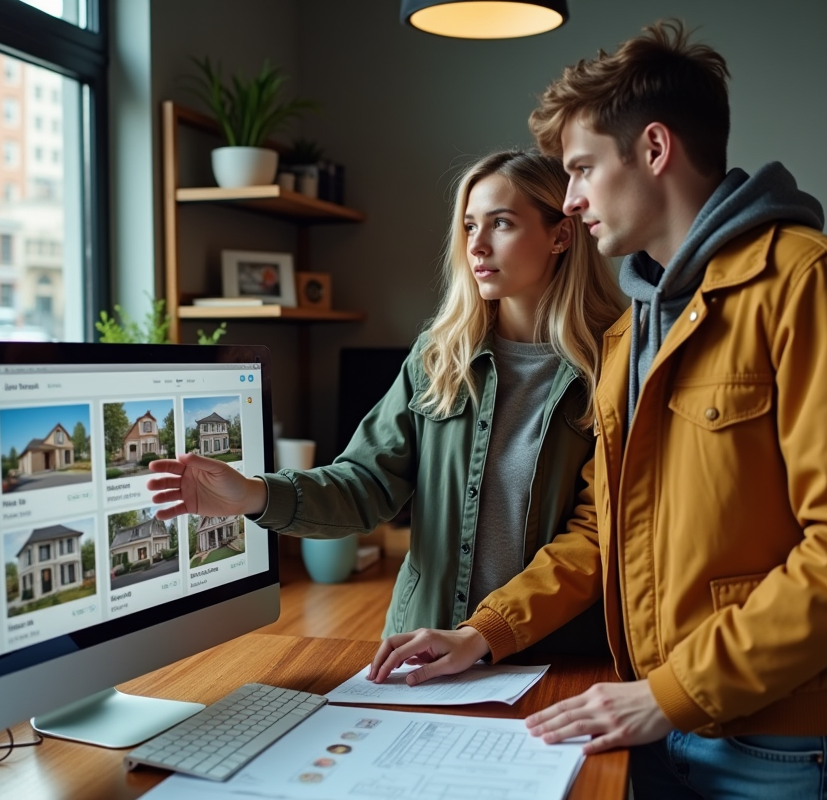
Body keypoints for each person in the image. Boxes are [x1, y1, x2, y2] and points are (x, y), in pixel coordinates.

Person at [368, 20, 827, 800]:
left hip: (784, 744)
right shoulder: (635, 328)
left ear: (655, 150)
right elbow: (602, 528)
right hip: (658, 723)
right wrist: (483, 633)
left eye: (582, 170)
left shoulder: (816, 287)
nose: (569, 200)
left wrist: (669, 695)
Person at [148, 149, 626, 641]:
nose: (476, 246)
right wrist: (252, 493)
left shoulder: (615, 362)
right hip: (423, 649)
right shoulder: (439, 357)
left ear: (561, 235)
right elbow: (364, 484)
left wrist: (488, 632)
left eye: (500, 224)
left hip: (554, 656)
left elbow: (595, 538)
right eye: (468, 227)